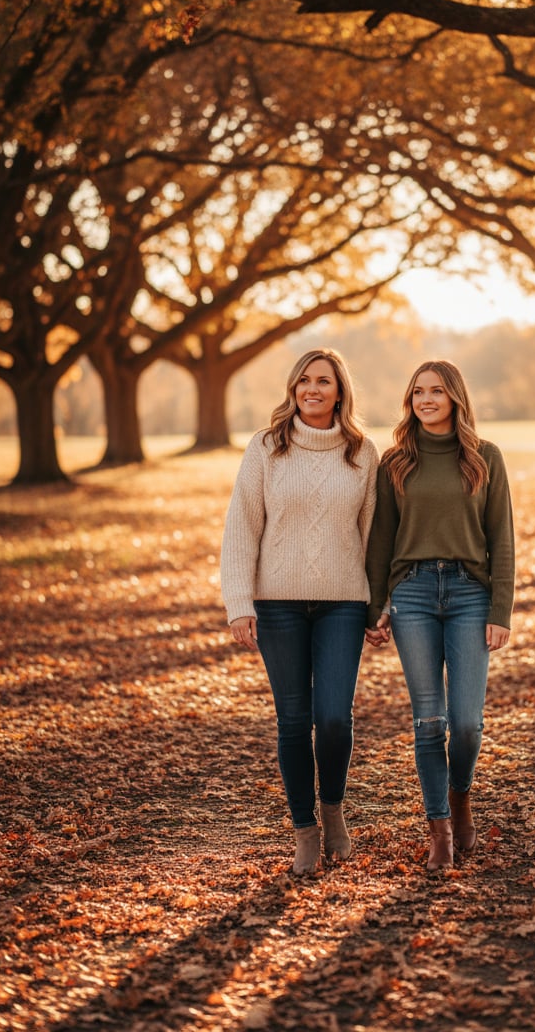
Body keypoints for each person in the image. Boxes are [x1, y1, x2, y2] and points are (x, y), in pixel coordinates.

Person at [220, 348, 378, 876]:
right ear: (293, 388)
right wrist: (239, 602)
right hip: (277, 604)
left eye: (324, 381)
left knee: (333, 718)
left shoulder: (362, 452)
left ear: (340, 392)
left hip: (343, 603)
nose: (312, 389)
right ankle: (305, 830)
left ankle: (333, 809)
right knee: (293, 719)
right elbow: (242, 527)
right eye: (304, 380)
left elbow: (373, 534)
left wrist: (378, 605)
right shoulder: (267, 447)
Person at [365, 359, 515, 870]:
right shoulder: (396, 462)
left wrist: (501, 608)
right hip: (413, 594)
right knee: (429, 720)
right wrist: (376, 606)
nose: (425, 400)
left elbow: (502, 539)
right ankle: (440, 831)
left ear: (455, 397)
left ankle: (460, 797)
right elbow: (381, 540)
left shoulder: (485, 457)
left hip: (471, 594)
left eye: (435, 391)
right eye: (418, 392)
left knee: (467, 723)